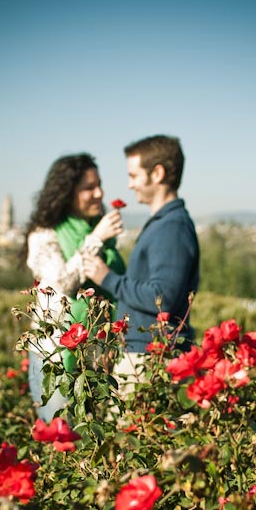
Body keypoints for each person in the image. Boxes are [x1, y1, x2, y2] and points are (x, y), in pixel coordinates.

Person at [82, 135, 199, 388]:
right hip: (145, 353)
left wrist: (107, 278)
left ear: (157, 173)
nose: (130, 184)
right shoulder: (164, 224)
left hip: (149, 358)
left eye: (133, 176)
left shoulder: (172, 227)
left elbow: (162, 298)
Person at [22, 153, 125, 418]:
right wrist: (97, 239)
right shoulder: (45, 234)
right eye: (89, 188)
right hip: (55, 357)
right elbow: (63, 283)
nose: (99, 193)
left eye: (99, 185)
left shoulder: (97, 232)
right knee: (61, 438)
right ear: (68, 192)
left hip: (96, 357)